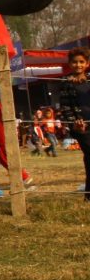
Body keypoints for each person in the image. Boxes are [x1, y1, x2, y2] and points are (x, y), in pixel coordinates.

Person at [59, 47, 90, 201]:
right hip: (80, 126)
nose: (78, 65)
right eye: (75, 62)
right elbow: (65, 107)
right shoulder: (65, 82)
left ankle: (88, 196)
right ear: (70, 64)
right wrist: (74, 122)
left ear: (87, 63)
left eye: (81, 62)